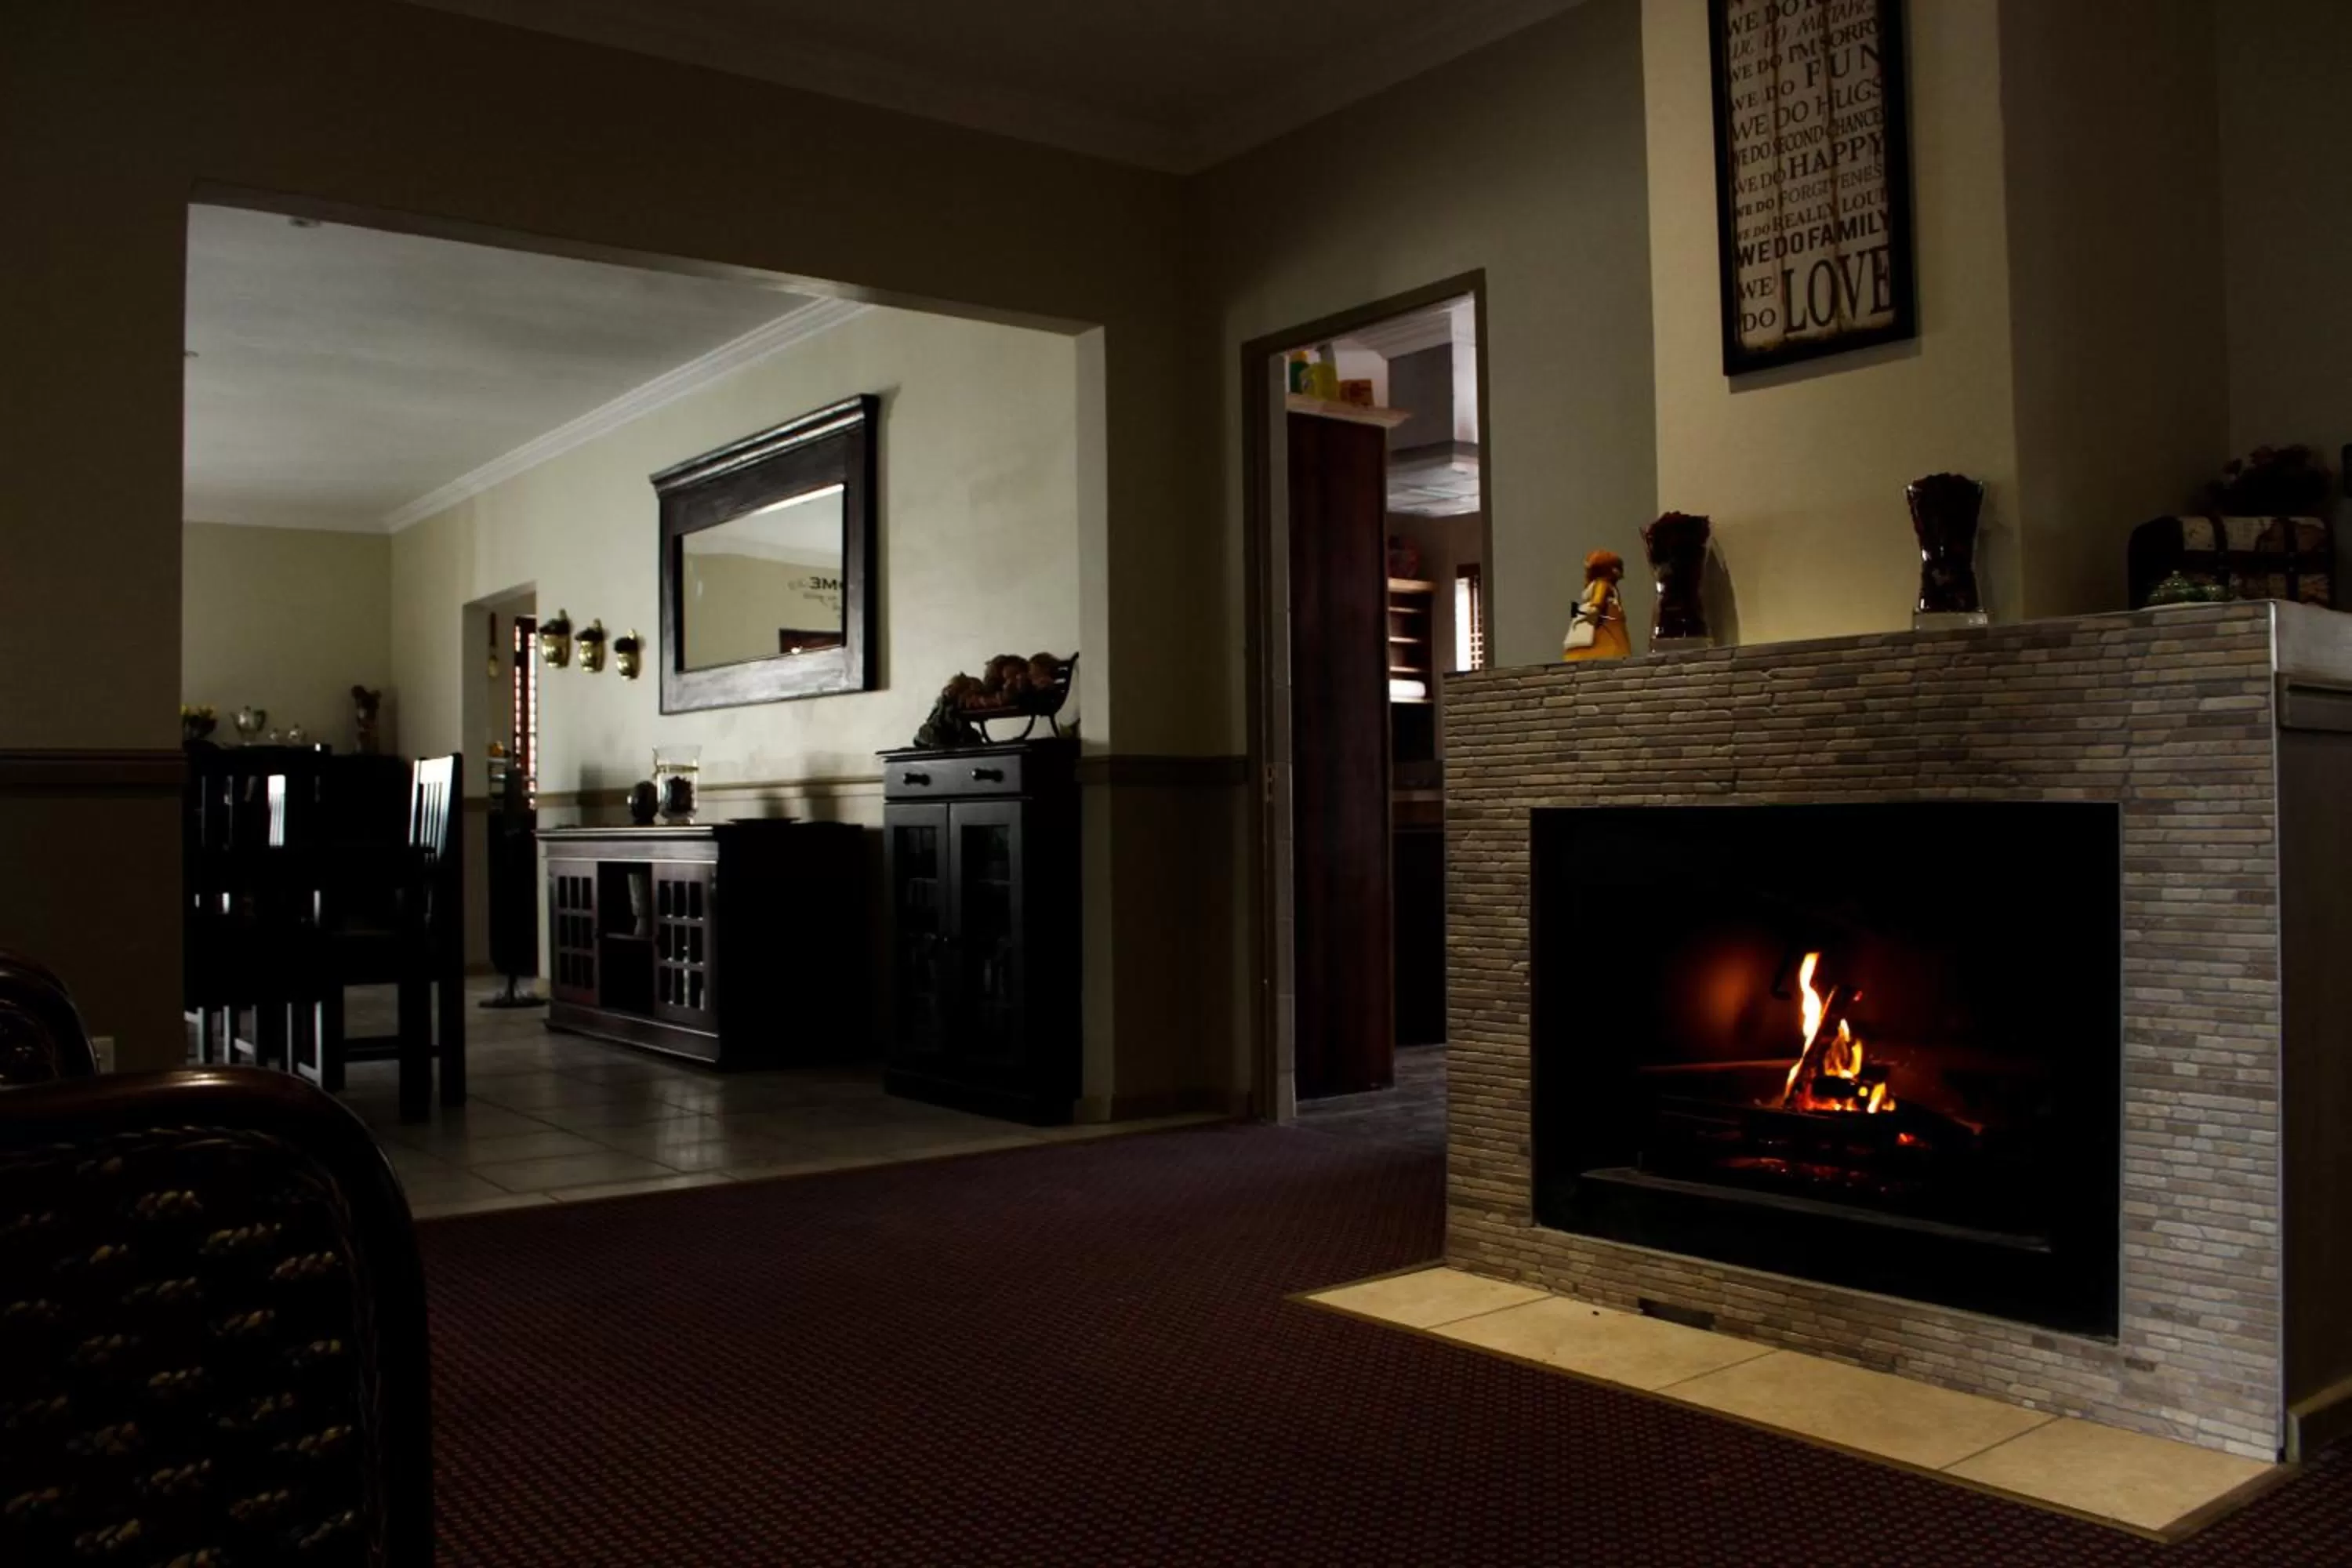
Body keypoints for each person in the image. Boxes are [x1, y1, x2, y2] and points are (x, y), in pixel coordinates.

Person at [1563, 549, 1632, 662]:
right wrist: (1593, 610)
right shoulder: (1601, 584)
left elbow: (1598, 601)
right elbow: (1597, 600)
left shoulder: (1601, 584)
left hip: (1604, 622)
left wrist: (1592, 611)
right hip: (1603, 623)